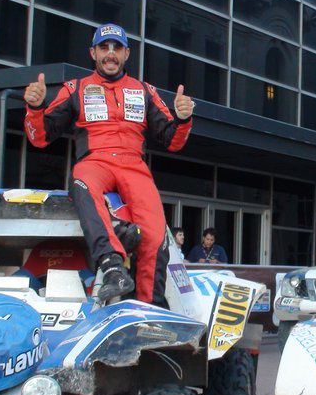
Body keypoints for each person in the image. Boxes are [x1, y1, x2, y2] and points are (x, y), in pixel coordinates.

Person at [23, 23, 195, 305]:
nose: (110, 54)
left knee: (154, 232)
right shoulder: (75, 88)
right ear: (93, 52)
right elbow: (40, 137)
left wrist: (183, 119)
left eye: (117, 48)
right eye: (104, 47)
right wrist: (36, 108)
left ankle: (147, 307)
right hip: (95, 161)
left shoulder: (145, 91)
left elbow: (172, 141)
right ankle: (112, 266)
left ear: (127, 53)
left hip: (134, 166)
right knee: (81, 181)